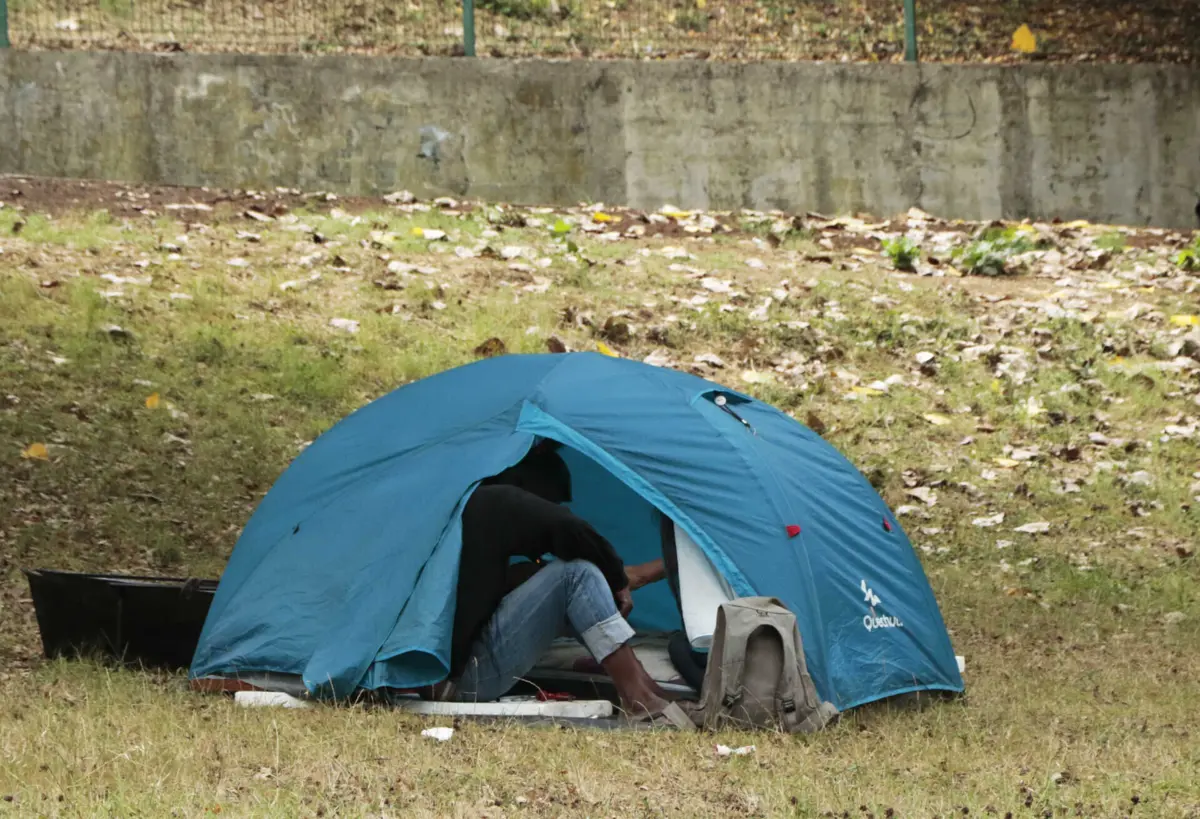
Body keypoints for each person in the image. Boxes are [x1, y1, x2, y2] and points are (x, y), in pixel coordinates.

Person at [426, 440, 694, 729]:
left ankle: (646, 690)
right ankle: (640, 700)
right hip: (459, 681)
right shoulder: (493, 502)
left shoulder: (457, 520)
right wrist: (617, 579)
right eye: (548, 501)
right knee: (576, 574)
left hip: (436, 675)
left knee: (571, 578)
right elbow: (568, 528)